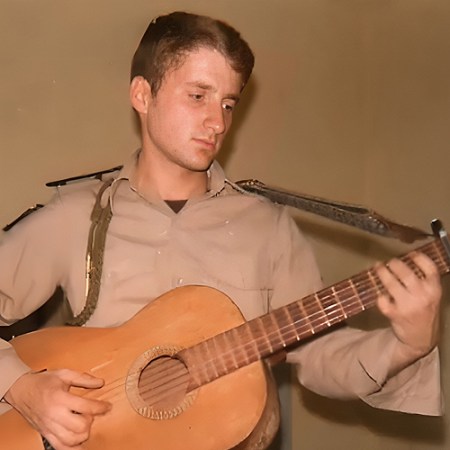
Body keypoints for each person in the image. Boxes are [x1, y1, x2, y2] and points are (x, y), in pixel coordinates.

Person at [0, 11, 443, 450]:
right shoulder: (76, 217)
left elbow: (321, 357)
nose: (217, 123)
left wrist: (406, 345)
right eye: (198, 96)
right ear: (143, 95)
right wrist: (21, 387)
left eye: (228, 104)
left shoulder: (267, 227)